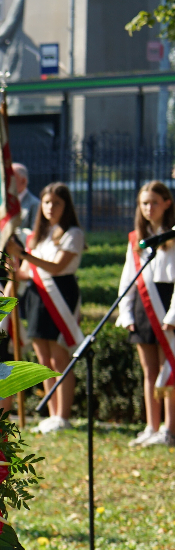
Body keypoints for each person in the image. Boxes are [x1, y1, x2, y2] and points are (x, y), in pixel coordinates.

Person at [6, 181, 83, 433]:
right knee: (43, 360)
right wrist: (13, 264)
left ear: (66, 206)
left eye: (56, 203)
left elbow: (57, 267)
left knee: (60, 358)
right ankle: (51, 414)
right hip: (37, 297)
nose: (50, 207)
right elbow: (28, 273)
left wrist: (25, 255)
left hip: (61, 295)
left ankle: (63, 415)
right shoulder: (37, 235)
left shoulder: (73, 233)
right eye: (47, 202)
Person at [119, 182, 175, 447]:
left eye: (154, 202)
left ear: (167, 203)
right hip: (144, 306)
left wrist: (173, 315)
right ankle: (151, 426)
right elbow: (129, 278)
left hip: (168, 305)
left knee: (169, 368)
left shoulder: (173, 235)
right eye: (144, 203)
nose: (148, 208)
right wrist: (126, 313)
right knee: (149, 370)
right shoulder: (136, 239)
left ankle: (168, 429)